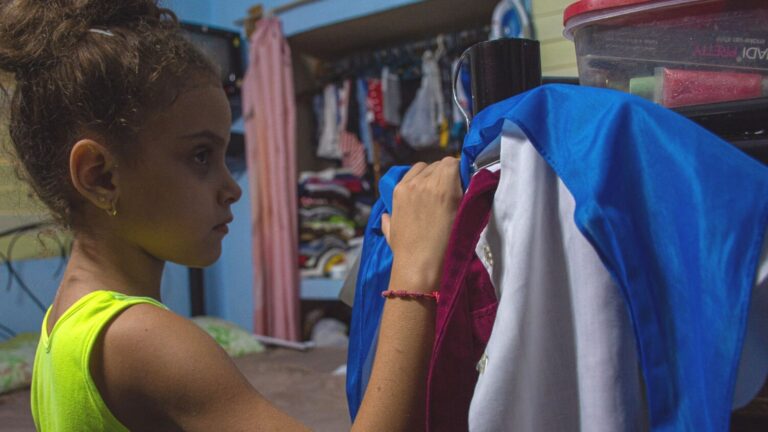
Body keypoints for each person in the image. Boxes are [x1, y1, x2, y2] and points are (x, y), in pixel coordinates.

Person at [0, 1, 463, 430]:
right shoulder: (142, 339)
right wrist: (415, 268)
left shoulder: (56, 328)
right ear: (100, 176)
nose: (233, 187)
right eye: (201, 156)